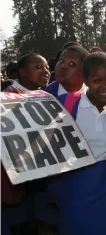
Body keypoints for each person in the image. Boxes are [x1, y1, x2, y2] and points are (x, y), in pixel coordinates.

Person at [50, 52, 106, 235]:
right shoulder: (66, 105)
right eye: (97, 80)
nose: (105, 86)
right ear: (85, 80)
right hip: (79, 190)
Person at [2, 53, 51, 235]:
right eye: (38, 67)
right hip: (16, 190)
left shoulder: (45, 95)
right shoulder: (6, 99)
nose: (45, 71)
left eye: (46, 67)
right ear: (21, 71)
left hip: (39, 182)